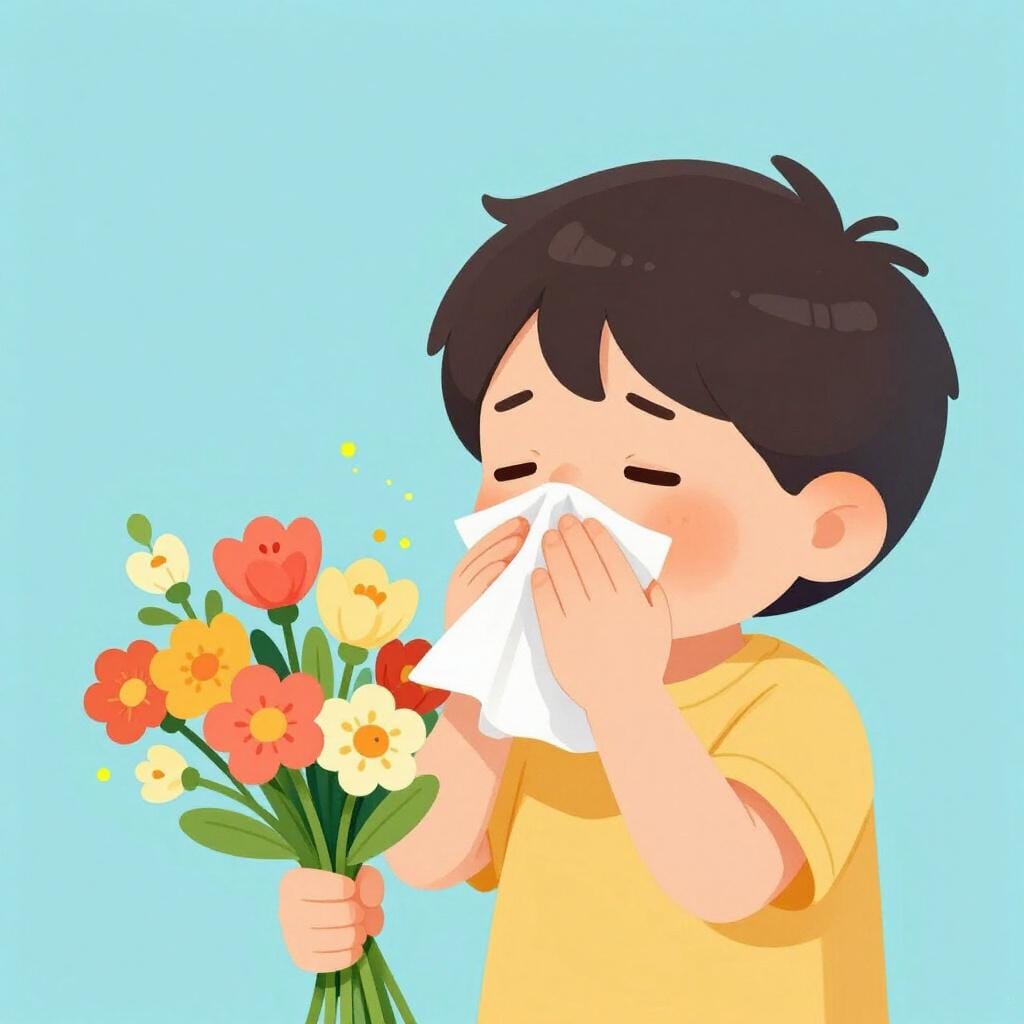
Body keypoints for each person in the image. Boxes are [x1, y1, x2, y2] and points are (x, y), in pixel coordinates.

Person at [278, 156, 958, 1022]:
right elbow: (429, 855)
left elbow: (724, 880)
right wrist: (479, 678)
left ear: (826, 529)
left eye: (644, 469)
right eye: (515, 468)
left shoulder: (794, 702)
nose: (559, 515)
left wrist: (624, 695)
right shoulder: (536, 691)